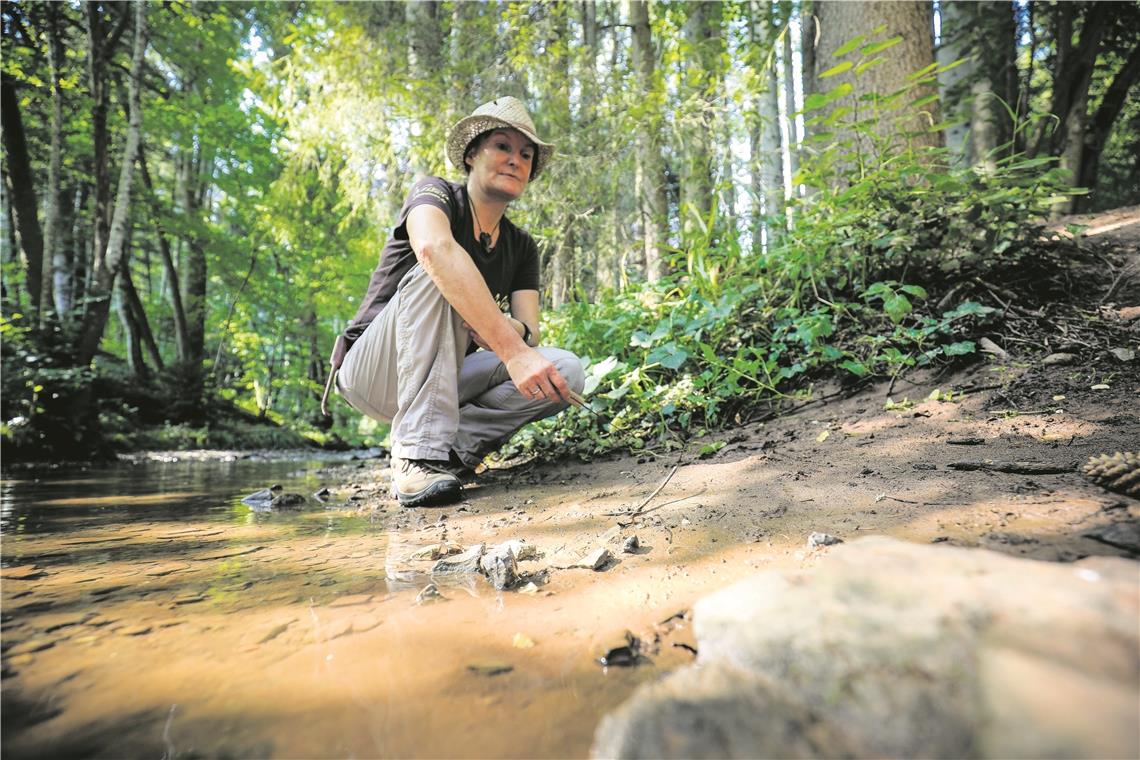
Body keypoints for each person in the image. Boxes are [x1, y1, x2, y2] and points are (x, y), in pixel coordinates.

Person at [324, 96, 585, 507]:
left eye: (526, 154)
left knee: (565, 372)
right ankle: (414, 456)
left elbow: (530, 331)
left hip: (449, 374)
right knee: (444, 275)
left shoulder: (521, 246)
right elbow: (433, 249)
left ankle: (453, 453)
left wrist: (507, 332)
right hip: (374, 372)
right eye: (502, 146)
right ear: (471, 154)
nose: (516, 159)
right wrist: (511, 348)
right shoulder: (435, 194)